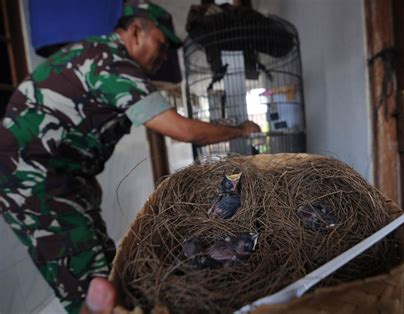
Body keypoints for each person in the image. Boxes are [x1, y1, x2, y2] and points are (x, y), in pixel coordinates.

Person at [0, 2, 260, 313]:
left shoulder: (96, 54)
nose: (162, 57)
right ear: (136, 32)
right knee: (93, 286)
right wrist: (240, 130)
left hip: (58, 175)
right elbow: (184, 131)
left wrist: (84, 178)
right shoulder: (113, 63)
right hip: (36, 179)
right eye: (160, 46)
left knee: (106, 260)